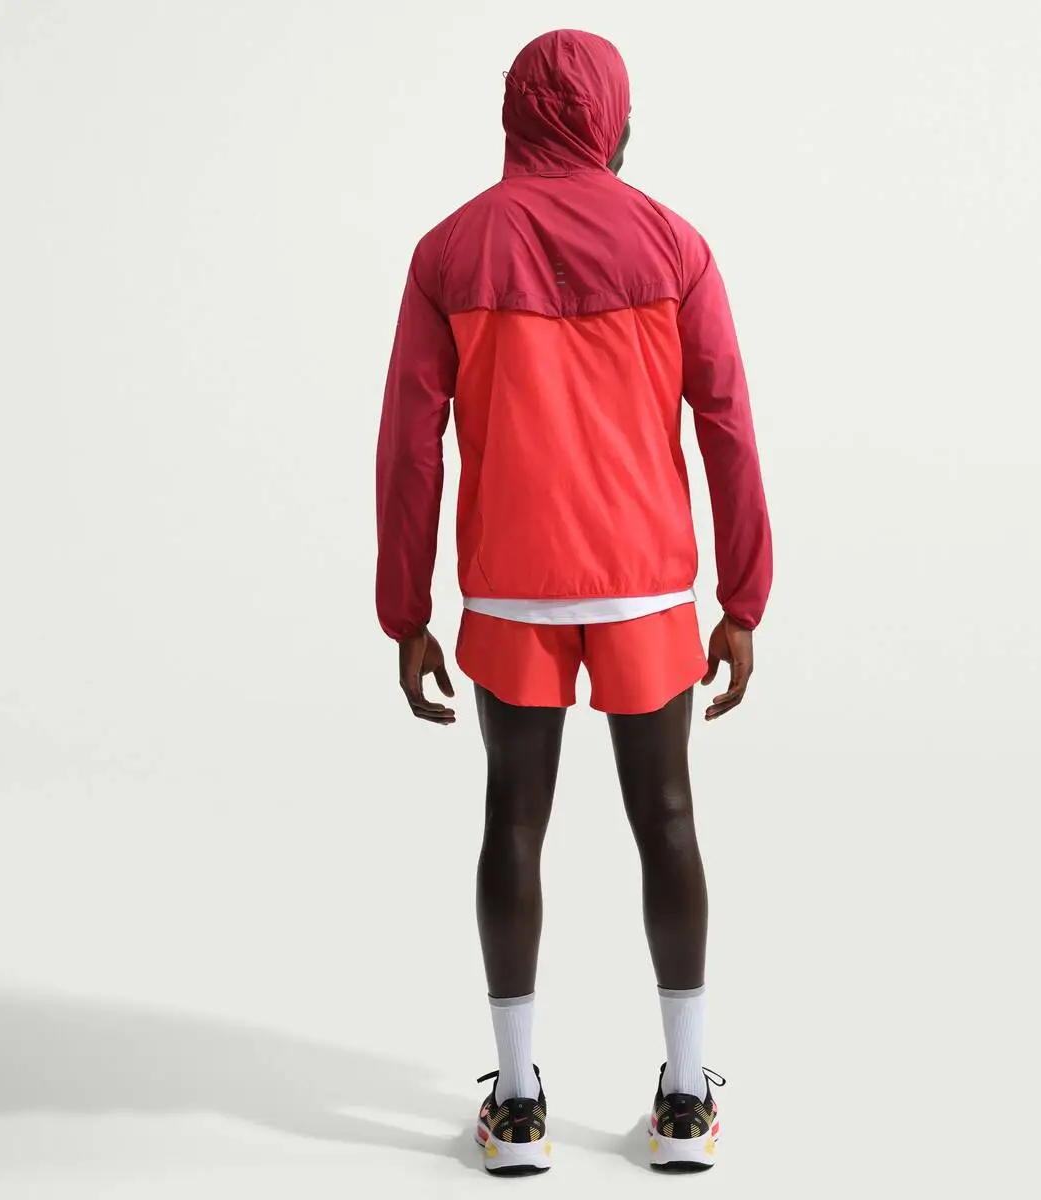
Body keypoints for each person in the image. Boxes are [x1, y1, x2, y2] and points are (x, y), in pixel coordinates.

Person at [375, 29, 772, 1175]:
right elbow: (729, 423)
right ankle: (686, 1100)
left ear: (513, 118)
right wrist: (743, 597)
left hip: (512, 585)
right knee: (670, 819)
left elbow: (410, 446)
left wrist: (407, 610)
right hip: (646, 581)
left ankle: (516, 1110)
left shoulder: (450, 252)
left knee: (512, 819)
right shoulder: (676, 247)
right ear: (615, 122)